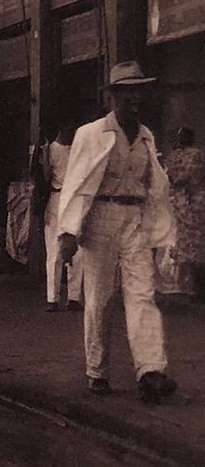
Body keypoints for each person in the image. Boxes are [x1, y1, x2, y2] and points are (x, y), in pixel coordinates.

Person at [58, 62, 177, 403]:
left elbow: (155, 187)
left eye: (138, 90)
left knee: (143, 293)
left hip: (135, 218)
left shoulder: (146, 136)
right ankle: (97, 370)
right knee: (100, 296)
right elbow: (77, 184)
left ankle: (151, 370)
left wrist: (162, 234)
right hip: (101, 217)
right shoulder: (91, 134)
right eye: (125, 91)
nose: (133, 97)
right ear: (112, 96)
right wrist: (68, 231)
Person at [41, 119, 84, 311]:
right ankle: (53, 297)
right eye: (70, 128)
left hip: (74, 200)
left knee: (78, 250)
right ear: (62, 127)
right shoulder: (49, 149)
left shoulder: (77, 149)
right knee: (54, 250)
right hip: (57, 198)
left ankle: (74, 297)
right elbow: (44, 177)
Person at [164, 127, 205, 303]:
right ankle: (198, 288)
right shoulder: (197, 155)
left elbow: (171, 177)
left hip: (179, 203)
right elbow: (197, 175)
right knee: (198, 246)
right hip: (197, 202)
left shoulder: (172, 157)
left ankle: (187, 286)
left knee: (184, 247)